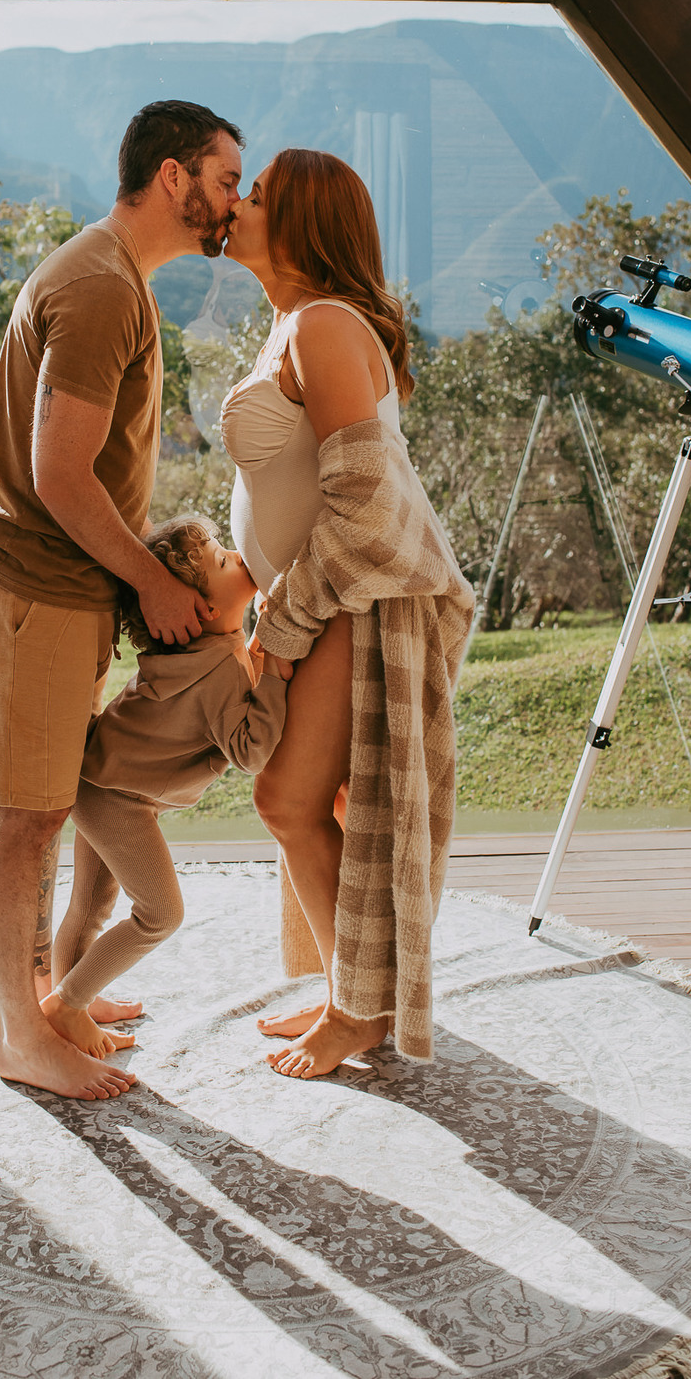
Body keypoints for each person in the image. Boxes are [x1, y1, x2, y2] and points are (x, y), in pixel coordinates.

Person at [0, 101, 244, 1101]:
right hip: (29, 587)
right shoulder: (101, 288)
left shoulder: (112, 278)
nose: (231, 201)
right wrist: (155, 580)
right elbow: (61, 474)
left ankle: (42, 1000)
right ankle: (17, 1036)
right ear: (173, 175)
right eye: (224, 178)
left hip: (57, 590)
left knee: (47, 803)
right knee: (27, 818)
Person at [221, 148, 474, 1080]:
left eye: (255, 195)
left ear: (301, 223)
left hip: (346, 608)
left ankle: (357, 1012)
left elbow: (362, 506)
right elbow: (286, 486)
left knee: (287, 801)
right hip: (316, 601)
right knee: (314, 805)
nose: (236, 206)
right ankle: (349, 994)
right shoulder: (293, 321)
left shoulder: (324, 326)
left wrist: (281, 627)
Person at [40, 514, 292, 1058]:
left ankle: (74, 995)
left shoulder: (200, 651)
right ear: (202, 608)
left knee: (92, 903)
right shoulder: (220, 665)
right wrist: (275, 672)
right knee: (160, 914)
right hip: (118, 798)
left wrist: (256, 645)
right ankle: (65, 1007)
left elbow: (222, 678)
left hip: (96, 779)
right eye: (223, 560)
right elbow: (249, 750)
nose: (235, 555)